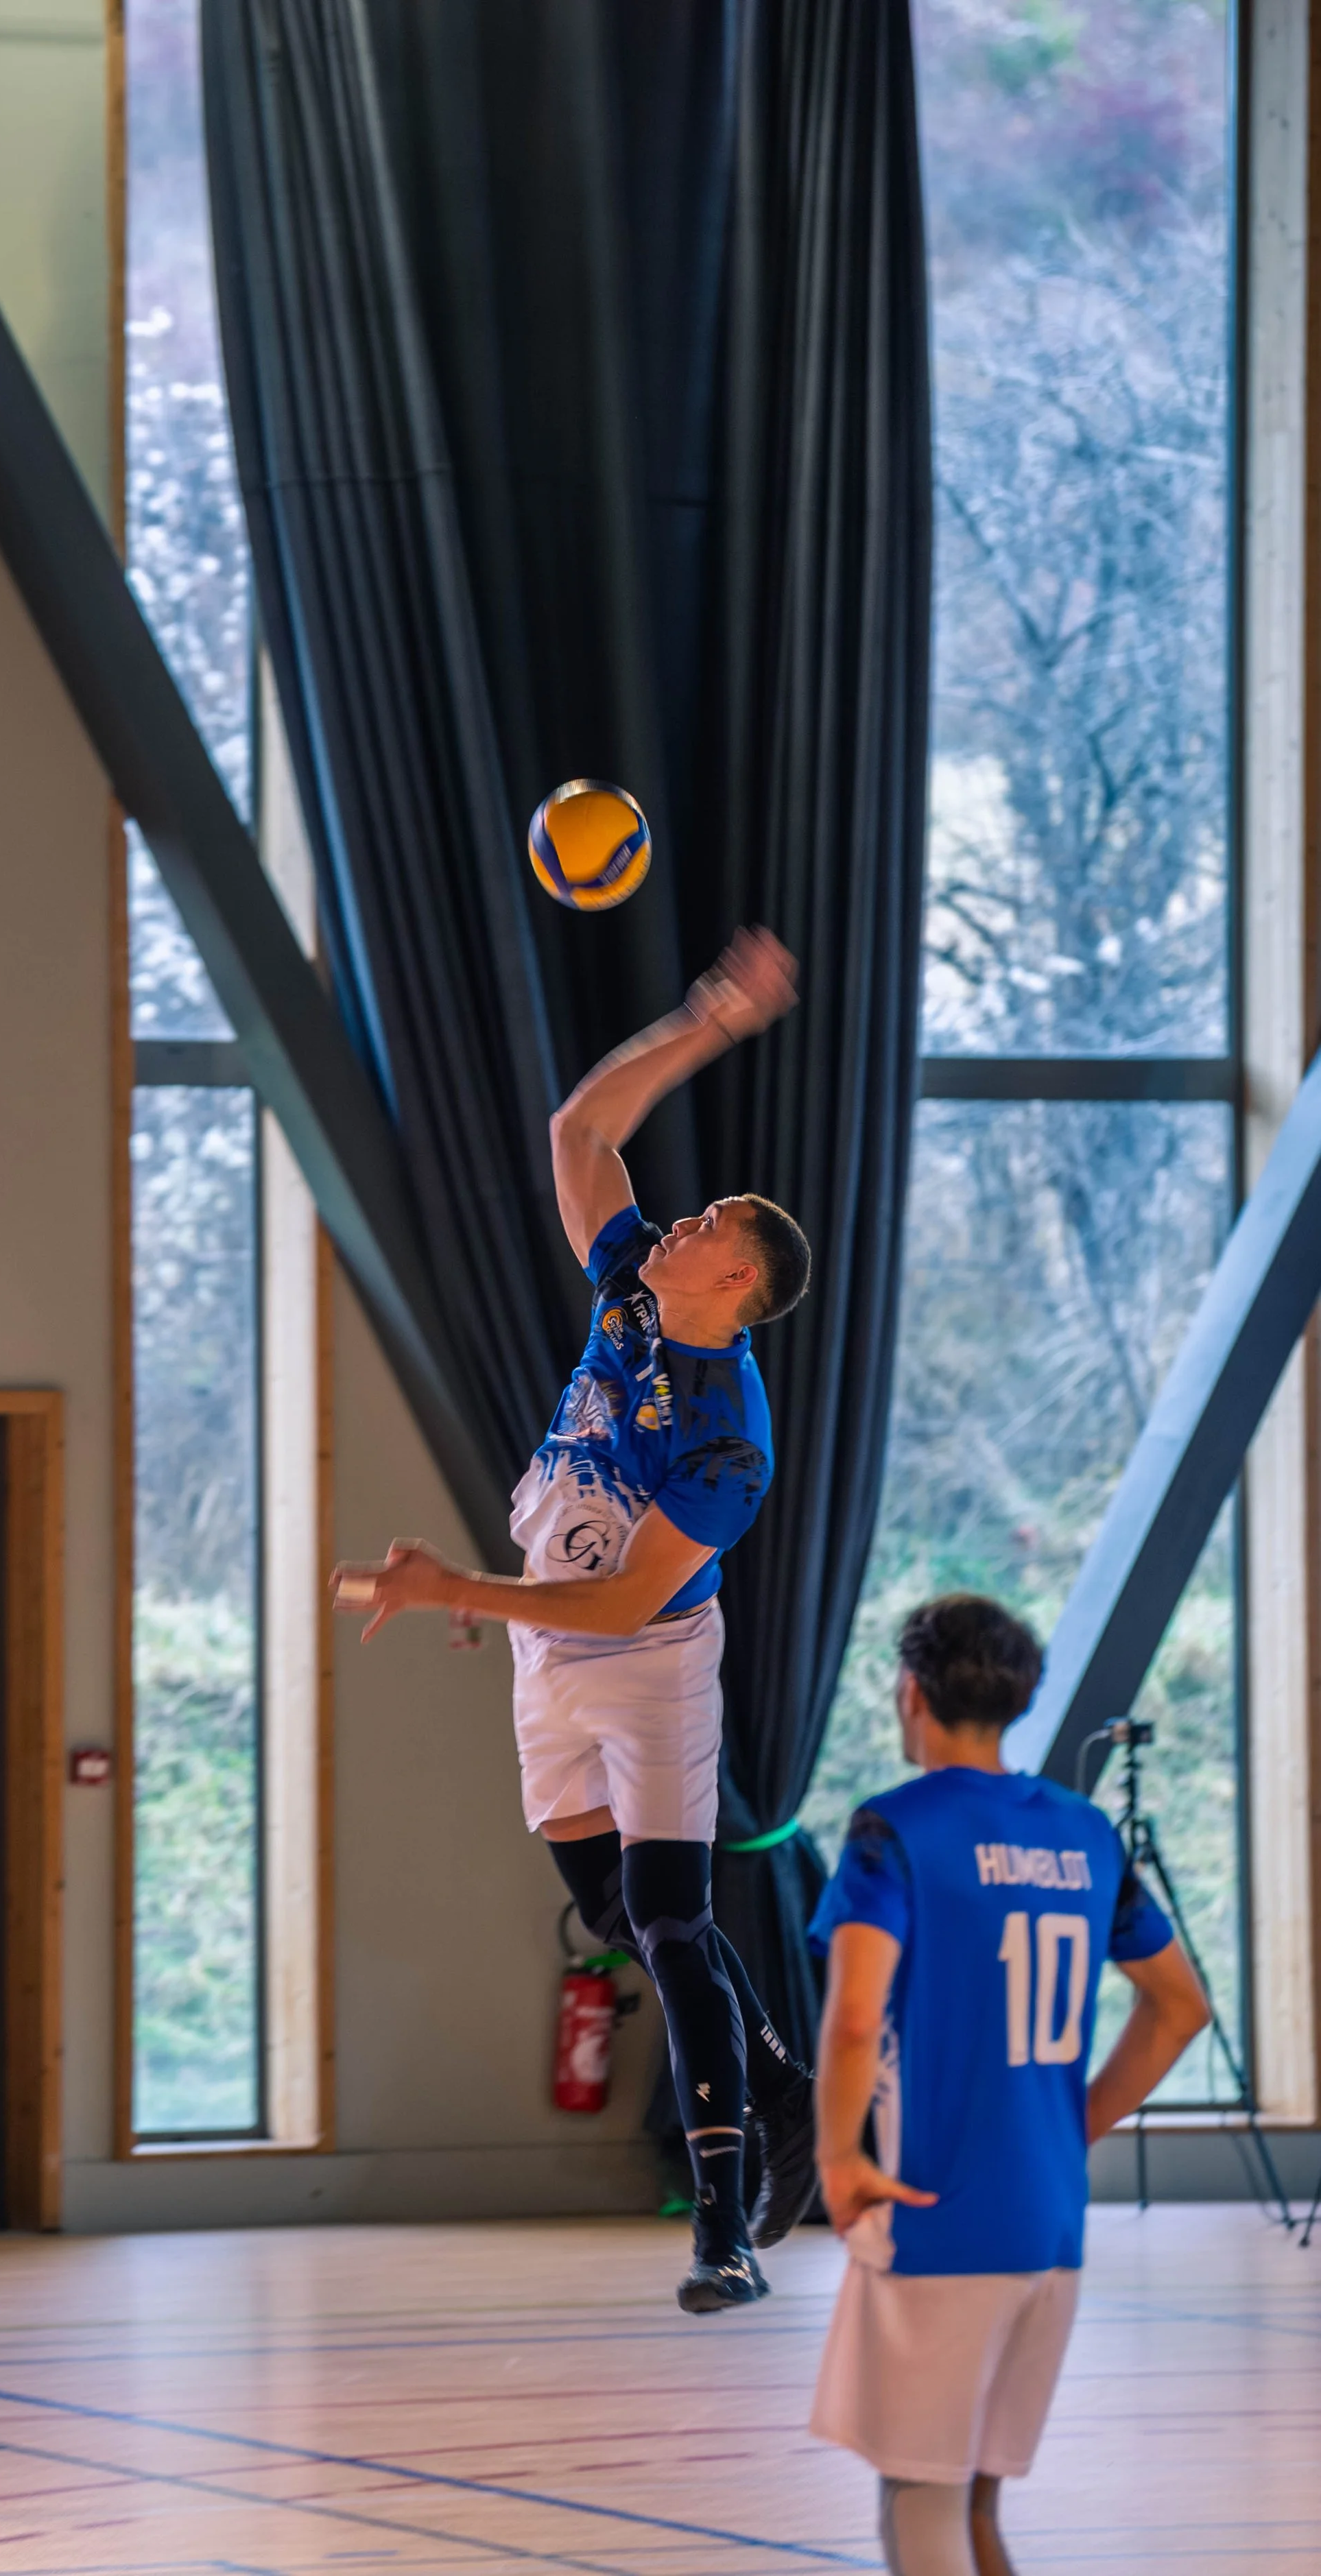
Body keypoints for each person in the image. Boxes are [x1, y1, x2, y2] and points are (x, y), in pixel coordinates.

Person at [333, 926, 819, 2313]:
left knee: (669, 1922)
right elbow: (581, 1125)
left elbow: (622, 1599)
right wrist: (706, 1020)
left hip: (648, 1659)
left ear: (734, 1285)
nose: (679, 1222)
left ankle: (724, 2223)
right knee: (610, 1906)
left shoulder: (726, 1440)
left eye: (708, 1225)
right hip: (549, 1650)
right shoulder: (625, 1290)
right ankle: (777, 2093)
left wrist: (450, 1593)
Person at [807, 1593, 1210, 2576]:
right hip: (1049, 2226)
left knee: (920, 2508)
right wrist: (1072, 2131)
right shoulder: (1085, 1833)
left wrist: (837, 2156)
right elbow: (1179, 2007)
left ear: (911, 1693)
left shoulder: (890, 1832)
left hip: (936, 2217)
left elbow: (856, 2016)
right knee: (980, 2512)